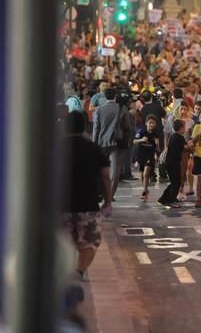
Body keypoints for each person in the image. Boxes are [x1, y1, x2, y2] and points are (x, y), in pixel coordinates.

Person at [63, 111, 112, 281]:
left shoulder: (55, 147)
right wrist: (108, 200)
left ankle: (64, 271)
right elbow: (106, 175)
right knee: (89, 243)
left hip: (61, 205)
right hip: (88, 204)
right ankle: (78, 271)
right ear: (84, 127)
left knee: (62, 242)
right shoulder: (93, 148)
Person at [91, 88, 128, 198]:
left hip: (102, 142)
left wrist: (94, 144)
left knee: (99, 169)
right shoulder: (121, 108)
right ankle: (110, 196)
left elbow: (96, 128)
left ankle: (99, 192)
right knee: (115, 171)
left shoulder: (98, 110)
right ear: (115, 96)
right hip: (116, 143)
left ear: (104, 97)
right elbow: (127, 126)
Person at [158, 120, 188, 208]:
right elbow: (186, 147)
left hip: (169, 162)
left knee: (174, 182)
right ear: (181, 128)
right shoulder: (179, 137)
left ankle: (163, 199)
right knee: (176, 182)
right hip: (174, 163)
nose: (185, 129)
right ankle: (170, 201)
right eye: (184, 127)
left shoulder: (173, 136)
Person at [133, 115, 160, 201]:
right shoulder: (141, 131)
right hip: (141, 155)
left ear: (155, 124)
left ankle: (144, 192)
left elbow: (157, 147)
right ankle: (145, 189)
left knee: (146, 174)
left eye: (153, 123)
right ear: (146, 123)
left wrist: (157, 150)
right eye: (150, 123)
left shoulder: (156, 134)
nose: (151, 124)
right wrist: (141, 140)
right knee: (142, 175)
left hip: (150, 155)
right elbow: (133, 141)